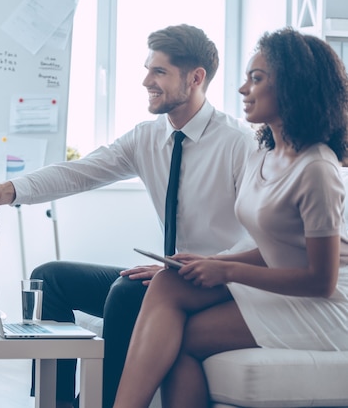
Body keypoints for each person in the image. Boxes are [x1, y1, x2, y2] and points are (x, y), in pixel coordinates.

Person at [0, 24, 257, 408]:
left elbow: (259, 236)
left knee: (126, 292)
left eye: (159, 72)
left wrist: (188, 270)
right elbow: (80, 172)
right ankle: (57, 404)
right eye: (147, 69)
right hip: (170, 277)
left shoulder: (239, 144)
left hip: (217, 284)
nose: (145, 81)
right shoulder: (146, 138)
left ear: (196, 78)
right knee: (50, 279)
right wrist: (3, 193)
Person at [113, 27, 348, 408]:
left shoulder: (317, 167)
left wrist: (228, 271)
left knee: (178, 339)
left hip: (327, 307)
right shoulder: (264, 153)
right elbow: (278, 247)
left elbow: (322, 281)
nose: (242, 89)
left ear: (293, 87)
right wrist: (214, 261)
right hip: (283, 287)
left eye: (256, 79)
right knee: (169, 284)